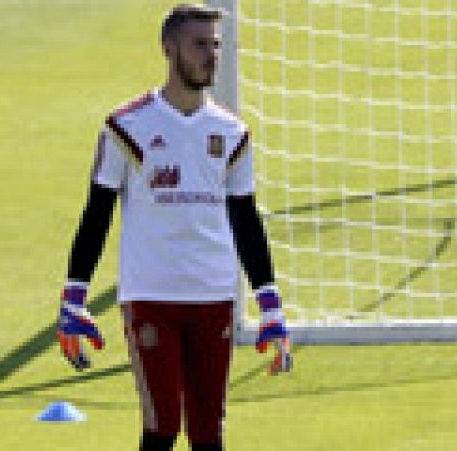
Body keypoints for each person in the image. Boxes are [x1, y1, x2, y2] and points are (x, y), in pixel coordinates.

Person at [55, 4, 291, 450]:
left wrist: (270, 305)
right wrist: (74, 296)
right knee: (162, 426)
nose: (211, 56)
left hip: (214, 295)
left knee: (208, 433)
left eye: (216, 45)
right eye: (200, 45)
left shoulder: (233, 132)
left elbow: (245, 218)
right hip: (151, 296)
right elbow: (97, 212)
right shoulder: (126, 126)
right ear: (169, 49)